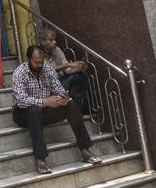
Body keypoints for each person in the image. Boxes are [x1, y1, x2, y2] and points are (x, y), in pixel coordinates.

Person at [12, 45, 102, 175]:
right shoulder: (19, 72)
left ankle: (84, 150)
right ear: (28, 59)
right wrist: (44, 102)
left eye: (41, 62)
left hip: (45, 112)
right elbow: (21, 100)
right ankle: (40, 159)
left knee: (71, 105)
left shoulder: (48, 70)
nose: (39, 65)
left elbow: (58, 89)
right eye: (36, 62)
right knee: (34, 111)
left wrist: (64, 98)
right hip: (23, 113)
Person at [40, 28, 89, 110]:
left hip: (60, 84)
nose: (54, 42)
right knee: (56, 75)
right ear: (42, 41)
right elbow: (46, 70)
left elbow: (67, 70)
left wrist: (77, 68)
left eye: (55, 39)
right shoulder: (36, 53)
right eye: (51, 40)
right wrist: (68, 65)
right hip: (46, 90)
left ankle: (76, 107)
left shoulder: (56, 50)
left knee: (80, 76)